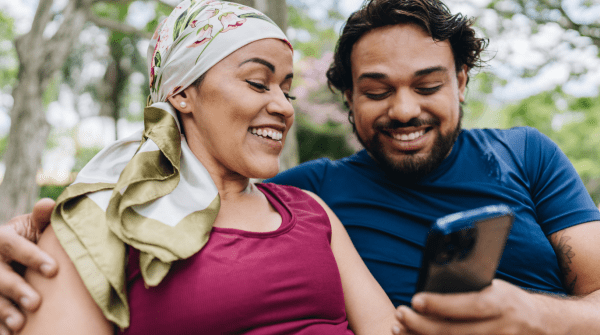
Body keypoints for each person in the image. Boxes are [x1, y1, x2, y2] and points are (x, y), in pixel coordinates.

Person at [1, 0, 600, 334]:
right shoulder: (318, 192)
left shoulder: (525, 155)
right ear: (348, 100)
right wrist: (29, 237)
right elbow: (188, 202)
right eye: (377, 89)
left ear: (461, 82)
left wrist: (531, 314)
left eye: (428, 84)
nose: (405, 109)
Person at [0, 1, 399, 334]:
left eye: (286, 88)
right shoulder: (97, 222)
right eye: (259, 83)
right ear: (181, 93)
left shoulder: (312, 211)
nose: (283, 106)